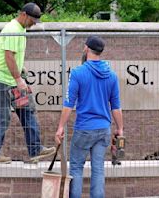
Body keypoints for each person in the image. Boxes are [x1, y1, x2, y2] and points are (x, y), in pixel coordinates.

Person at [0, 2, 56, 164]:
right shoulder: (12, 30)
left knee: (27, 112)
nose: (33, 24)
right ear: (23, 14)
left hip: (11, 80)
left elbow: (12, 56)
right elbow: (8, 56)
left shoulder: (21, 29)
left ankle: (35, 149)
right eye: (32, 20)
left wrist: (20, 70)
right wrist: (18, 79)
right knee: (3, 116)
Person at [55, 36, 124, 197]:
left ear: (86, 48)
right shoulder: (112, 76)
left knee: (76, 168)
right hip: (103, 129)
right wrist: (120, 128)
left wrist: (60, 127)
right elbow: (116, 107)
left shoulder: (78, 73)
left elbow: (68, 103)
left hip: (84, 128)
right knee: (98, 169)